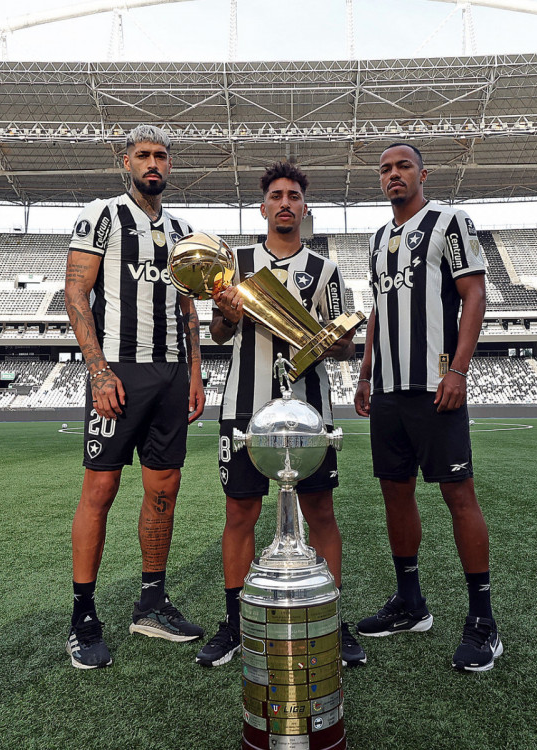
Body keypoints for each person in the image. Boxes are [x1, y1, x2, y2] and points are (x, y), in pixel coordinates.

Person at [194, 161, 365, 668]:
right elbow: (219, 335)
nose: (285, 202)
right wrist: (228, 310)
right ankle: (235, 622)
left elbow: (342, 351)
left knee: (321, 514)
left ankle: (332, 620)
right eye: (277, 195)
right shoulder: (236, 264)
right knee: (239, 513)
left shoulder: (326, 270)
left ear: (304, 207)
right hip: (243, 408)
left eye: (294, 195)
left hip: (308, 411)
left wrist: (336, 339)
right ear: (263, 206)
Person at [353, 142, 502, 672]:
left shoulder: (449, 221)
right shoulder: (377, 238)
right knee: (396, 494)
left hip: (435, 385)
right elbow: (378, 310)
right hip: (388, 390)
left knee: (458, 493)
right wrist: (366, 372)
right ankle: (410, 603)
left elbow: (474, 295)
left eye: (403, 167)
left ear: (422, 174)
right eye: (386, 169)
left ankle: (483, 621)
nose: (394, 175)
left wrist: (457, 370)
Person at [63, 124, 207, 669]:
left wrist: (195, 372)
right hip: (119, 370)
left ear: (170, 165)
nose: (154, 163)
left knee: (164, 487)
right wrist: (98, 371)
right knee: (100, 489)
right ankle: (83, 615)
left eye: (162, 155)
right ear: (126, 162)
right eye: (144, 155)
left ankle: (151, 601)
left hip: (171, 374)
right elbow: (76, 291)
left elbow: (190, 306)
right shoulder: (102, 214)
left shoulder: (185, 229)